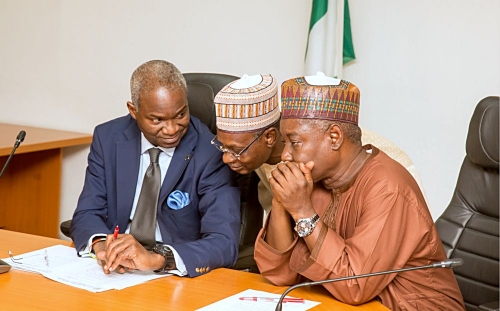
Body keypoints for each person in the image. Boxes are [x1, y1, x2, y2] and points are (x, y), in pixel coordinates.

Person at [254, 74, 465, 310]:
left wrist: (303, 212)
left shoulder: (388, 188)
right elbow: (279, 273)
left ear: (334, 137)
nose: (285, 155)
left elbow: (354, 286)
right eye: (285, 143)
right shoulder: (312, 181)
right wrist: (283, 200)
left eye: (294, 142)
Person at [70, 60, 240, 277]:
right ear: (133, 110)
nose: (171, 129)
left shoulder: (211, 152)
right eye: (157, 119)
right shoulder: (108, 138)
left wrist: (158, 258)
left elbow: (224, 242)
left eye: (180, 114)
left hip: (172, 274)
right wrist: (102, 245)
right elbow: (87, 212)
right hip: (115, 273)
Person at [212, 74, 283, 216]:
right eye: (223, 147)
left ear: (269, 137)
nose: (226, 158)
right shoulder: (257, 154)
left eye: (236, 150)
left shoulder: (304, 164)